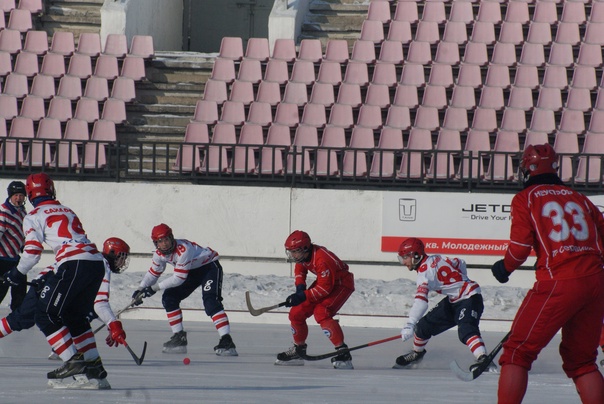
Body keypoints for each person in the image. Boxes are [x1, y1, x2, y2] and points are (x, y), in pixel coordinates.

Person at [490, 143, 604, 404]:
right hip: (595, 282)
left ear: (529, 169)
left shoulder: (526, 198)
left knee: (517, 353)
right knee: (583, 362)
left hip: (558, 282)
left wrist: (504, 268)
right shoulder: (580, 198)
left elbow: (519, 249)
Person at [1, 172, 112, 389]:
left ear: (30, 193)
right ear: (51, 190)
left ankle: (73, 363)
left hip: (73, 263)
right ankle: (95, 370)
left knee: (45, 315)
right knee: (74, 316)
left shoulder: (32, 216)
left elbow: (32, 252)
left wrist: (15, 274)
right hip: (95, 262)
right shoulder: (67, 210)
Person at [0, 237, 131, 383]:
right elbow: (100, 302)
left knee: (78, 317)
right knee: (20, 320)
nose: (123, 263)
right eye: (121, 257)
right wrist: (113, 324)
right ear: (112, 252)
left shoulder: (96, 260)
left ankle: (91, 364)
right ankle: (78, 362)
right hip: (45, 285)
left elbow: (95, 303)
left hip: (56, 284)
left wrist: (111, 324)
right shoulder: (101, 264)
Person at [132, 223, 238, 356]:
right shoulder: (158, 255)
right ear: (155, 244)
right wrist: (140, 289)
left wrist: (154, 288)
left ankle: (226, 340)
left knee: (210, 301)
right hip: (190, 271)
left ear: (172, 238)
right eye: (160, 241)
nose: (164, 244)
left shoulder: (184, 249)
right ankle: (179, 338)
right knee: (169, 297)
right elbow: (153, 273)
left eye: (166, 239)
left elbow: (179, 278)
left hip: (208, 268)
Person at [393, 237, 496, 373]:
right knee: (423, 327)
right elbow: (460, 263)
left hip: (470, 298)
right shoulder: (436, 258)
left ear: (416, 256)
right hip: (454, 300)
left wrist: (410, 323)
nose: (403, 262)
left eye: (405, 258)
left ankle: (484, 359)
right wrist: (459, 282)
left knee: (466, 329)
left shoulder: (424, 274)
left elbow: (421, 302)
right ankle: (417, 353)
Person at [275, 230, 355, 369]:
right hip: (326, 282)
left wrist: (302, 296)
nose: (292, 255)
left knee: (322, 312)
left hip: (341, 284)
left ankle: (343, 352)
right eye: (291, 251)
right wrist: (300, 287)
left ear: (305, 248)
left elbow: (325, 289)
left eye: (294, 251)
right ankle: (298, 350)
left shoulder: (322, 259)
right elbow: (300, 269)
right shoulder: (303, 256)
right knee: (296, 313)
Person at [0, 181, 27, 311]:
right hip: (2, 260)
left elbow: (21, 233)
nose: (19, 198)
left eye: (21, 195)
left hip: (15, 259)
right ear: (11, 196)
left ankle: (18, 315)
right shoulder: (3, 211)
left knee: (20, 289)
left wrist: (25, 246)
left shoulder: (22, 212)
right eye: (16, 195)